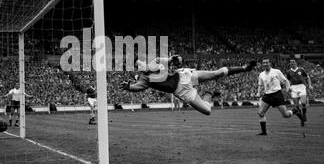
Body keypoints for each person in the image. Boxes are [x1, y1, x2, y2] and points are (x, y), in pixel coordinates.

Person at [121, 55, 256, 116]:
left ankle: (244, 68)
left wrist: (175, 59)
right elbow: (137, 87)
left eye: (140, 62)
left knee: (217, 73)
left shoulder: (156, 62)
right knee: (207, 111)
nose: (141, 65)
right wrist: (129, 87)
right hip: (182, 91)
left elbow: (174, 59)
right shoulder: (144, 80)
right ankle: (208, 94)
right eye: (138, 65)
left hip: (184, 76)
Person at [256, 58, 304, 135]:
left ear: (270, 63)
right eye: (264, 62)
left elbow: (285, 81)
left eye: (267, 62)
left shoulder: (276, 72)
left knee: (285, 115)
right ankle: (264, 132)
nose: (265, 64)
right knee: (261, 113)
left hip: (277, 94)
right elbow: (260, 85)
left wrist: (287, 88)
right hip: (267, 95)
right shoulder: (261, 74)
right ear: (262, 64)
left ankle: (295, 111)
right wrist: (258, 92)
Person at [286, 59, 312, 126]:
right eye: (291, 62)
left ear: (296, 63)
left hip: (301, 87)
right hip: (294, 88)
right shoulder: (288, 72)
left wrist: (310, 85)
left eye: (293, 62)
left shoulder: (301, 70)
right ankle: (301, 120)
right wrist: (288, 87)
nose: (292, 63)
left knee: (303, 103)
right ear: (290, 64)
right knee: (296, 107)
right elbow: (287, 80)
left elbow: (307, 77)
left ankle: (304, 114)